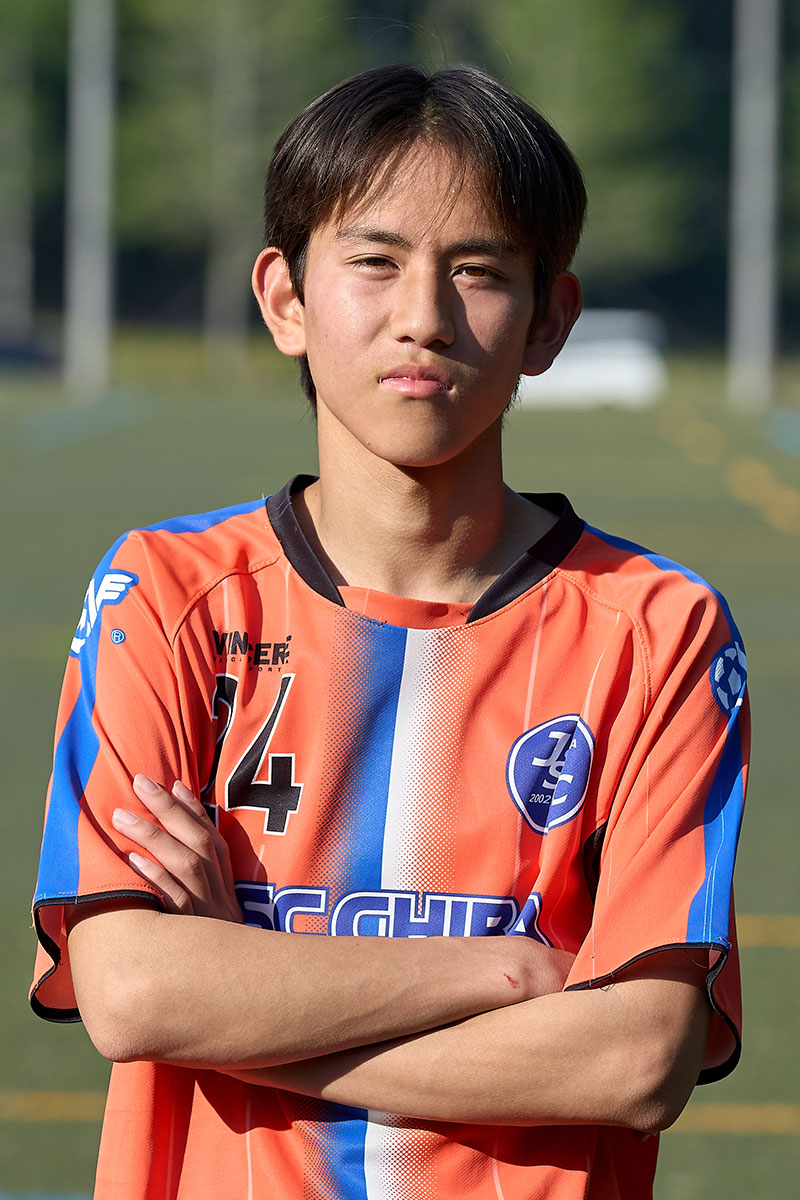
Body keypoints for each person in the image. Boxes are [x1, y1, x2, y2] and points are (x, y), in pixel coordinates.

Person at [31, 64, 748, 1200]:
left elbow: (635, 1058)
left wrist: (245, 993)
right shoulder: (166, 595)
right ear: (285, 299)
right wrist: (505, 973)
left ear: (550, 319)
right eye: (374, 261)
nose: (423, 316)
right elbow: (131, 993)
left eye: (479, 271)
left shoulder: (658, 630)